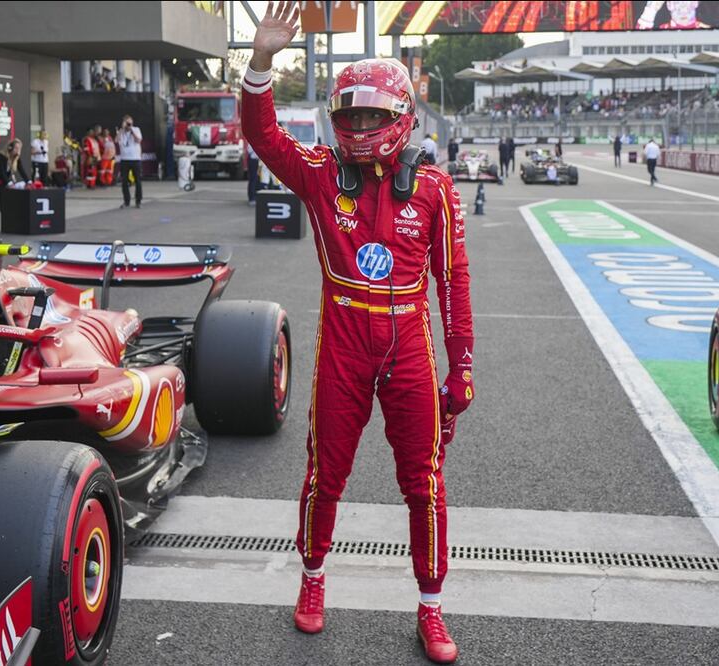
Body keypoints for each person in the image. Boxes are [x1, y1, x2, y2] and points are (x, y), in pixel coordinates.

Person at [244, 4, 474, 664]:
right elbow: (263, 137)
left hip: (409, 343)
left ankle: (431, 608)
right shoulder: (319, 173)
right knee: (325, 475)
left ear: (401, 117)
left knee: (424, 482)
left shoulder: (434, 185)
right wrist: (261, 60)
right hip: (343, 344)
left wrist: (461, 365)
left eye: (376, 115)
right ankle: (313, 583)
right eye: (353, 115)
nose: (364, 126)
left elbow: (453, 280)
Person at [117, 115, 144, 207]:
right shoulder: (121, 132)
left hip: (135, 159)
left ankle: (138, 201)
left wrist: (131, 130)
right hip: (124, 159)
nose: (128, 125)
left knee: (138, 181)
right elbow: (116, 140)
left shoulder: (136, 129)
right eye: (127, 123)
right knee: (124, 181)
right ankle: (126, 201)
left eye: (130, 123)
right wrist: (121, 129)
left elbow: (138, 140)